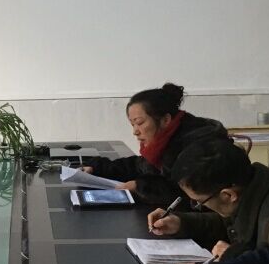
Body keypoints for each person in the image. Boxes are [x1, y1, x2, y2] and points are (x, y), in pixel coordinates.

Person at [147, 136, 269, 259]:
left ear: (228, 195)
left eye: (199, 201)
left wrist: (235, 257)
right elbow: (228, 223)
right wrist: (181, 223)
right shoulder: (250, 188)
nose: (198, 205)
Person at [82, 83, 227, 205]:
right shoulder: (165, 141)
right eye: (132, 125)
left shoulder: (200, 148)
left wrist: (141, 187)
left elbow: (188, 193)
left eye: (140, 123)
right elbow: (140, 166)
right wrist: (97, 168)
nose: (135, 132)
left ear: (165, 120)